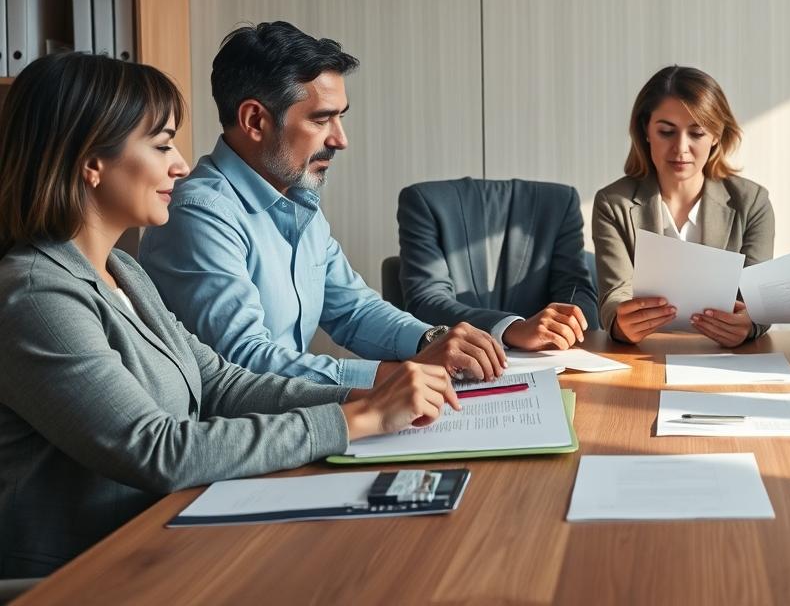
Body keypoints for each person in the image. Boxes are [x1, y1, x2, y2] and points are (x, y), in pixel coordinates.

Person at [0, 54, 455, 575]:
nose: (180, 165)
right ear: (90, 162)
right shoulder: (36, 294)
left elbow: (218, 383)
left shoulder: (121, 270)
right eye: (161, 144)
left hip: (161, 537)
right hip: (80, 572)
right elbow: (157, 450)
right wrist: (361, 417)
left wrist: (367, 396)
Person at [140, 22, 505, 389]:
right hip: (245, 434)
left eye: (340, 116)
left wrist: (434, 341)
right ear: (255, 120)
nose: (340, 139)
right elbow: (244, 360)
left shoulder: (296, 198)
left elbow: (354, 310)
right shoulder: (199, 213)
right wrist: (392, 379)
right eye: (321, 119)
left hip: (294, 418)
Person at [593, 65, 773, 347]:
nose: (680, 148)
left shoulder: (752, 202)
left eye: (697, 133)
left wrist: (749, 325)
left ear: (716, 135)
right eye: (666, 132)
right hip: (644, 356)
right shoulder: (612, 204)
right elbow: (614, 297)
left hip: (724, 359)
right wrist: (620, 322)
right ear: (646, 130)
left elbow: (759, 303)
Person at [396, 177, 596, 350]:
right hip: (455, 364)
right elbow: (426, 302)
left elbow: (576, 289)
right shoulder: (421, 202)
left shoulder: (562, 203)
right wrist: (512, 329)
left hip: (552, 361)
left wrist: (566, 326)